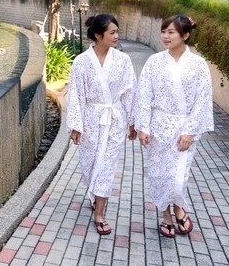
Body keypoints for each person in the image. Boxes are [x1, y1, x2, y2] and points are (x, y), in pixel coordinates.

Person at [136, 15, 214, 238]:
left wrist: (190, 131)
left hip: (183, 128)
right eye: (163, 31)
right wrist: (144, 127)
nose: (165, 36)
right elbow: (144, 95)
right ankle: (167, 217)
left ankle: (179, 207)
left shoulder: (198, 65)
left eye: (171, 32)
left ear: (185, 35)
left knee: (178, 176)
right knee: (160, 174)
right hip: (159, 127)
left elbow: (202, 99)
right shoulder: (154, 62)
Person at [67, 13, 137, 235]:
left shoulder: (123, 61)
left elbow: (130, 92)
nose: (117, 36)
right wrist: (76, 126)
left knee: (106, 168)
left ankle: (99, 213)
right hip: (90, 120)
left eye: (117, 32)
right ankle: (94, 194)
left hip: (114, 120)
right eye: (112, 32)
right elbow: (76, 95)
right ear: (98, 35)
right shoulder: (81, 62)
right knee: (89, 166)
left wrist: (133, 122)